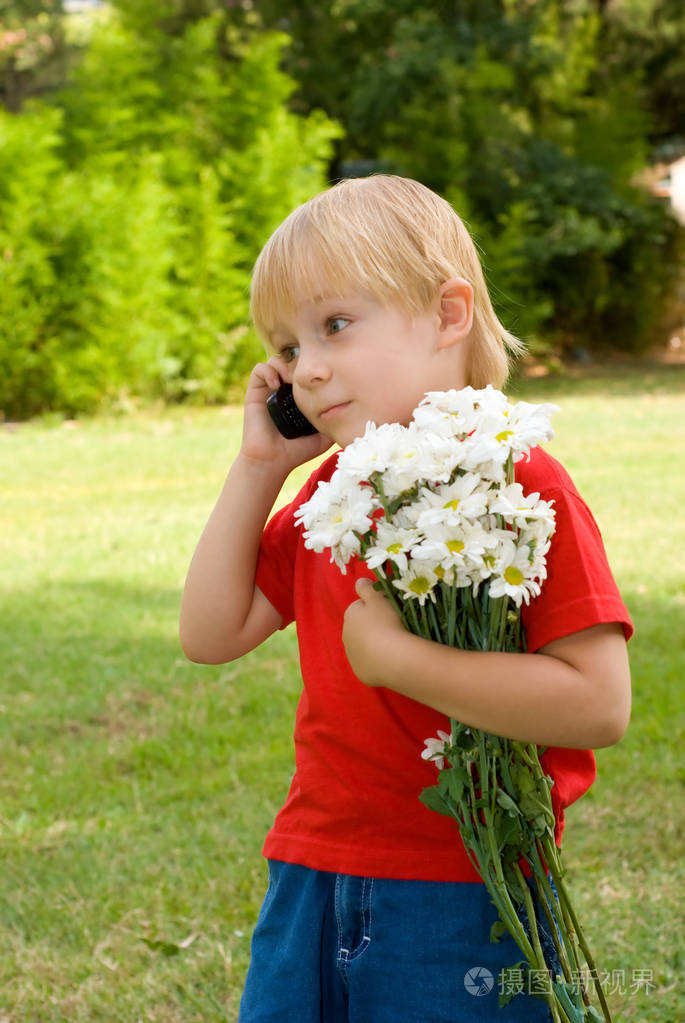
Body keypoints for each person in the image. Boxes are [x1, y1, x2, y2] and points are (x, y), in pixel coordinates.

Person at [179, 175, 633, 1023]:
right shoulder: (333, 494)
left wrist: (402, 661)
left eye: (334, 325)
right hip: (313, 864)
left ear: (447, 314)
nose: (305, 367)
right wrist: (258, 470)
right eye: (284, 348)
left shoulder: (518, 485)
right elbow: (210, 632)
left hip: (465, 884)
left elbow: (597, 703)